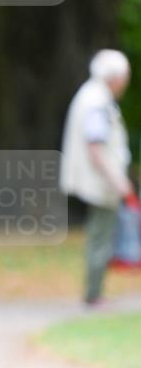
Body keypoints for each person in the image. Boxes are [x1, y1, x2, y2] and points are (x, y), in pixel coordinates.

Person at [60, 49, 139, 306]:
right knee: (100, 236)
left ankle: (94, 292)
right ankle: (93, 295)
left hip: (99, 181)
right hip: (100, 183)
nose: (126, 82)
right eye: (125, 76)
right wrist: (120, 182)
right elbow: (96, 147)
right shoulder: (97, 101)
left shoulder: (91, 95)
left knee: (100, 234)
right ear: (114, 77)